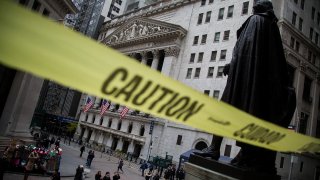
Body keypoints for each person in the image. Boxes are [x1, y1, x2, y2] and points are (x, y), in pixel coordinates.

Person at [195, 0, 296, 176]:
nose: (253, 5)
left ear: (260, 8)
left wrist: (232, 65)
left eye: (256, 4)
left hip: (242, 82)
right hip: (250, 84)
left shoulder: (256, 21)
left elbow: (244, 51)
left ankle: (214, 148)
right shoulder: (270, 26)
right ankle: (221, 150)